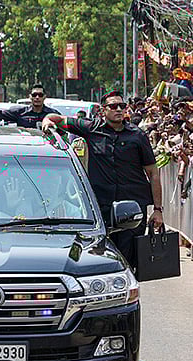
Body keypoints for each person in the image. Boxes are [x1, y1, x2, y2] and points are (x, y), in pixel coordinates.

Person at [41, 91, 163, 267]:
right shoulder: (91, 128)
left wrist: (158, 210)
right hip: (102, 207)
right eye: (113, 106)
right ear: (103, 110)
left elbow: (153, 173)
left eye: (122, 106)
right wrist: (47, 121)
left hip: (133, 207)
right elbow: (56, 118)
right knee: (100, 256)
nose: (119, 110)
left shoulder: (138, 136)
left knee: (130, 259)